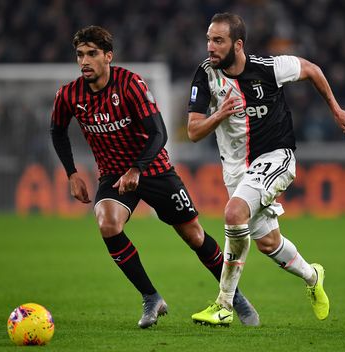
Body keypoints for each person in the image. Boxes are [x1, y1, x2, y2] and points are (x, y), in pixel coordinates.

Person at [50, 25, 259, 328]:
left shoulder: (131, 84)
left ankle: (235, 296)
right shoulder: (69, 95)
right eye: (80, 54)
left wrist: (137, 168)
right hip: (113, 175)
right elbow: (56, 131)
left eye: (92, 54)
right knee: (108, 223)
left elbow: (158, 133)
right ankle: (151, 297)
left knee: (194, 235)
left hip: (154, 169)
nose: (85, 61)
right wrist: (71, 173)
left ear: (108, 56)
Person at [188, 13, 345, 326]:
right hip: (236, 170)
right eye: (209, 39)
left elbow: (312, 70)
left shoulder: (269, 68)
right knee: (267, 242)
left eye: (218, 40)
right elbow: (193, 131)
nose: (210, 46)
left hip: (276, 157)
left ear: (237, 45)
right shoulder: (206, 74)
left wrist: (336, 109)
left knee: (233, 213)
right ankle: (312, 276)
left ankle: (223, 305)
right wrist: (219, 114)